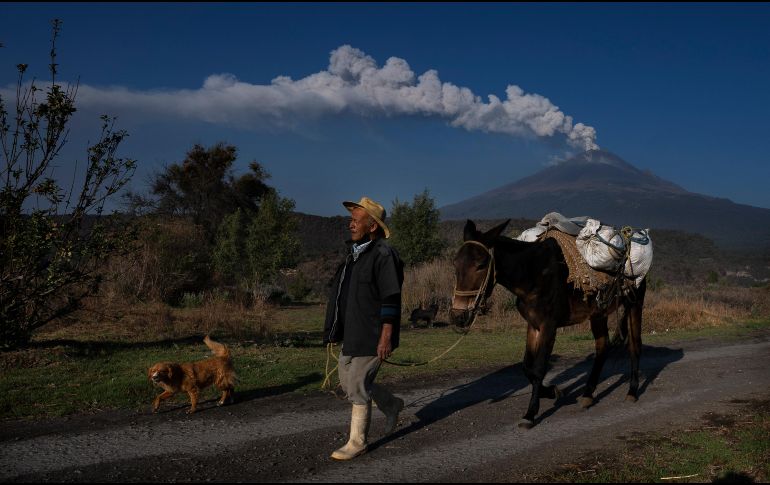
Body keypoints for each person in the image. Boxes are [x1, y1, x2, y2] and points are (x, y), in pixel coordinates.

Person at [323, 196, 405, 461]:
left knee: (357, 383)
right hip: (352, 331)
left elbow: (391, 297)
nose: (351, 224)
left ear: (372, 226)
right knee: (346, 382)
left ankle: (357, 441)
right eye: (351, 219)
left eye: (356, 221)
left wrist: (386, 335)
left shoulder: (383, 254)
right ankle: (391, 404)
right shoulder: (354, 254)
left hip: (372, 332)